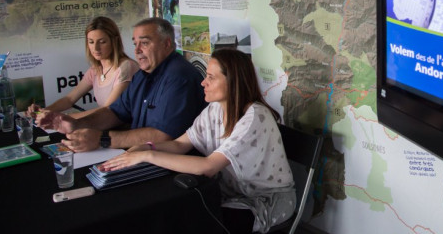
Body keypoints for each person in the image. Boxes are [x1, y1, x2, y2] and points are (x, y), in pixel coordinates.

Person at [101, 49, 295, 233]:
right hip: (229, 194)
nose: (204, 83)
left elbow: (208, 167)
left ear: (233, 81)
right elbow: (180, 144)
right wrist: (146, 147)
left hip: (264, 201)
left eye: (211, 77)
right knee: (175, 214)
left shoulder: (254, 118)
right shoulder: (215, 108)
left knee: (195, 222)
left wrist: (148, 155)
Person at [36, 17, 207, 152]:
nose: (137, 50)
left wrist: (101, 139)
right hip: (142, 155)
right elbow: (114, 112)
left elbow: (162, 135)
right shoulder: (143, 74)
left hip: (171, 166)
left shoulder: (179, 77)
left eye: (145, 43)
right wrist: (76, 124)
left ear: (167, 44)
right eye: (135, 44)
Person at [27, 16, 139, 117]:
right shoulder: (95, 70)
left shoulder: (127, 67)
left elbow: (107, 110)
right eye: (91, 42)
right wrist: (42, 112)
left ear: (114, 41)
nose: (95, 48)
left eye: (102, 42)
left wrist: (61, 118)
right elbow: (69, 99)